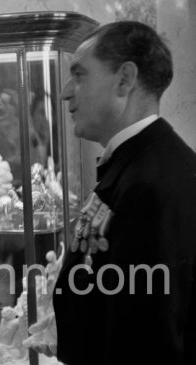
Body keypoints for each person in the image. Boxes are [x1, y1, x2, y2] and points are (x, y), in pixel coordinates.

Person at [49, 21, 196, 365]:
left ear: (125, 80)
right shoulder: (135, 164)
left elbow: (149, 339)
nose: (66, 91)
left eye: (80, 74)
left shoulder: (151, 183)